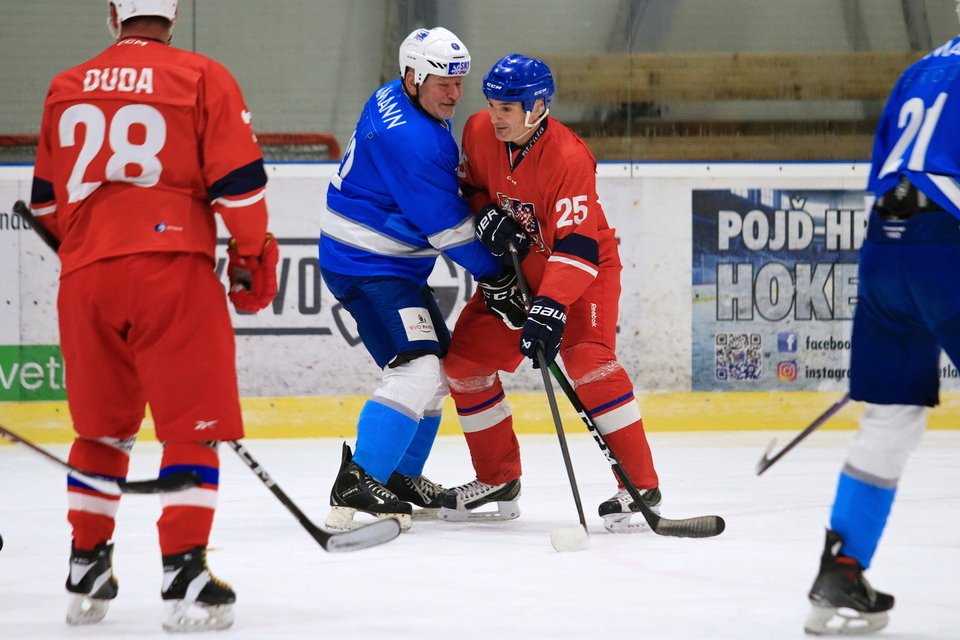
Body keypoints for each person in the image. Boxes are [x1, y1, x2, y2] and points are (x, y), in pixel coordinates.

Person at [29, 0, 278, 631]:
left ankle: (87, 565)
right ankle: (184, 571)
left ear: (114, 13)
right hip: (171, 268)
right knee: (192, 427)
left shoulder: (65, 85)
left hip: (85, 279)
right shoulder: (201, 75)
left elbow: (46, 205)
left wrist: (93, 250)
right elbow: (240, 187)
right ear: (170, 14)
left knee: (100, 431)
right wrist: (251, 255)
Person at [437, 54, 662, 529]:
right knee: (464, 364)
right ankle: (497, 478)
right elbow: (472, 186)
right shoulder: (477, 130)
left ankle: (640, 486)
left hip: (582, 273)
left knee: (587, 362)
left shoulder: (568, 157)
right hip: (521, 273)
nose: (495, 117)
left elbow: (579, 246)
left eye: (507, 108)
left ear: (538, 106)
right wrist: (484, 212)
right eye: (492, 105)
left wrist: (550, 307)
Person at [319, 28, 525, 532]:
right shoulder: (414, 139)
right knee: (418, 370)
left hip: (387, 263)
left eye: (459, 82)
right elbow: (447, 229)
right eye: (443, 84)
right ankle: (359, 479)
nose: (454, 94)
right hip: (368, 265)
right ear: (413, 77)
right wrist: (498, 276)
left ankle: (399, 475)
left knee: (440, 370)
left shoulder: (390, 94)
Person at [803, 7, 960, 635]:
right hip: (946, 244)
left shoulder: (921, 70)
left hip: (886, 249)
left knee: (890, 417)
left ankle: (841, 570)